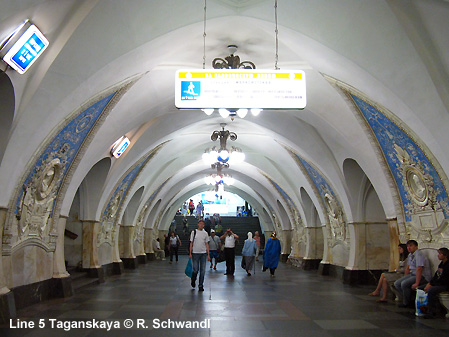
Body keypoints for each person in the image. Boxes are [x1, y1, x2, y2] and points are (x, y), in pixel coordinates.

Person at [394, 240, 432, 308]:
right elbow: (408, 268)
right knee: (397, 283)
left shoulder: (419, 255)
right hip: (413, 274)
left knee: (404, 284)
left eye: (411, 246)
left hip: (422, 276)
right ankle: (410, 298)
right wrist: (405, 277)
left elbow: (419, 269)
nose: (409, 248)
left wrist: (417, 283)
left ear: (416, 246)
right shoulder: (410, 255)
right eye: (408, 246)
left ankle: (407, 303)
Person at [420, 247, 449, 318]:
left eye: (440, 254)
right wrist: (430, 283)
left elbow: (444, 279)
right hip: (439, 283)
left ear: (445, 255)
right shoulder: (442, 264)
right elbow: (437, 275)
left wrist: (432, 285)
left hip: (445, 285)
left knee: (431, 291)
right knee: (421, 287)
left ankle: (432, 311)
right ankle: (423, 307)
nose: (438, 255)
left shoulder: (448, 265)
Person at [189, 220, 210, 292]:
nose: (201, 225)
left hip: (203, 253)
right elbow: (191, 243)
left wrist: (208, 254)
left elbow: (207, 243)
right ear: (198, 224)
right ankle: (193, 279)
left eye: (203, 224)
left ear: (204, 225)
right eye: (200, 224)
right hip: (195, 253)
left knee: (202, 270)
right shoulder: (193, 232)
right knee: (195, 269)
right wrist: (190, 253)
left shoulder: (205, 233)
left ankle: (201, 285)